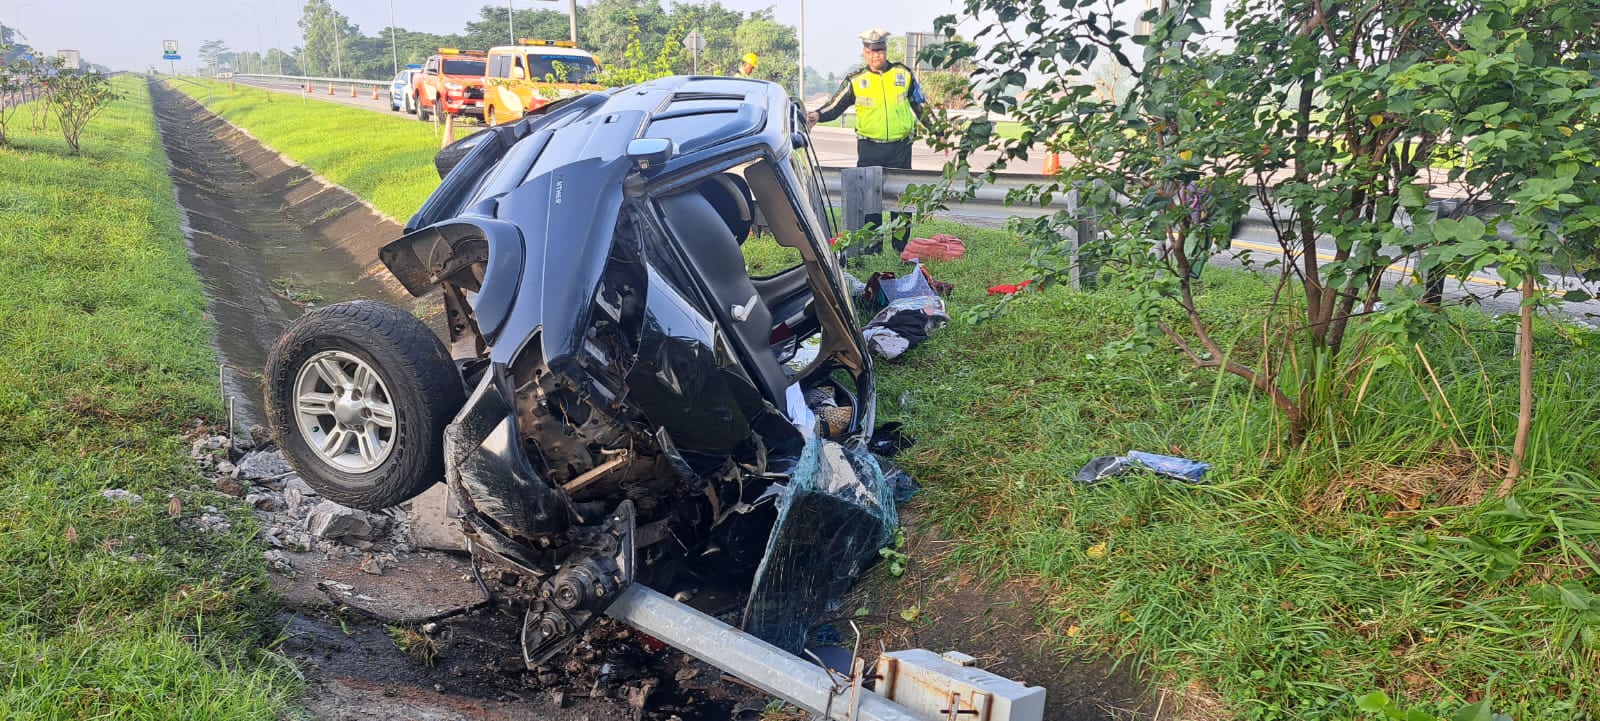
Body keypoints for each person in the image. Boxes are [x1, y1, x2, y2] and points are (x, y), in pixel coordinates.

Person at [807, 29, 928, 254]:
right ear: (864, 52)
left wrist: (937, 130)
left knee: (902, 201)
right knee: (870, 201)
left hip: (900, 148)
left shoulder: (903, 74)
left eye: (880, 50)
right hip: (869, 148)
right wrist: (817, 115)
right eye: (871, 51)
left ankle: (902, 250)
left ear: (885, 50)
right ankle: (873, 249)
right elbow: (835, 106)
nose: (876, 56)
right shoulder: (856, 80)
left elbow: (920, 105)